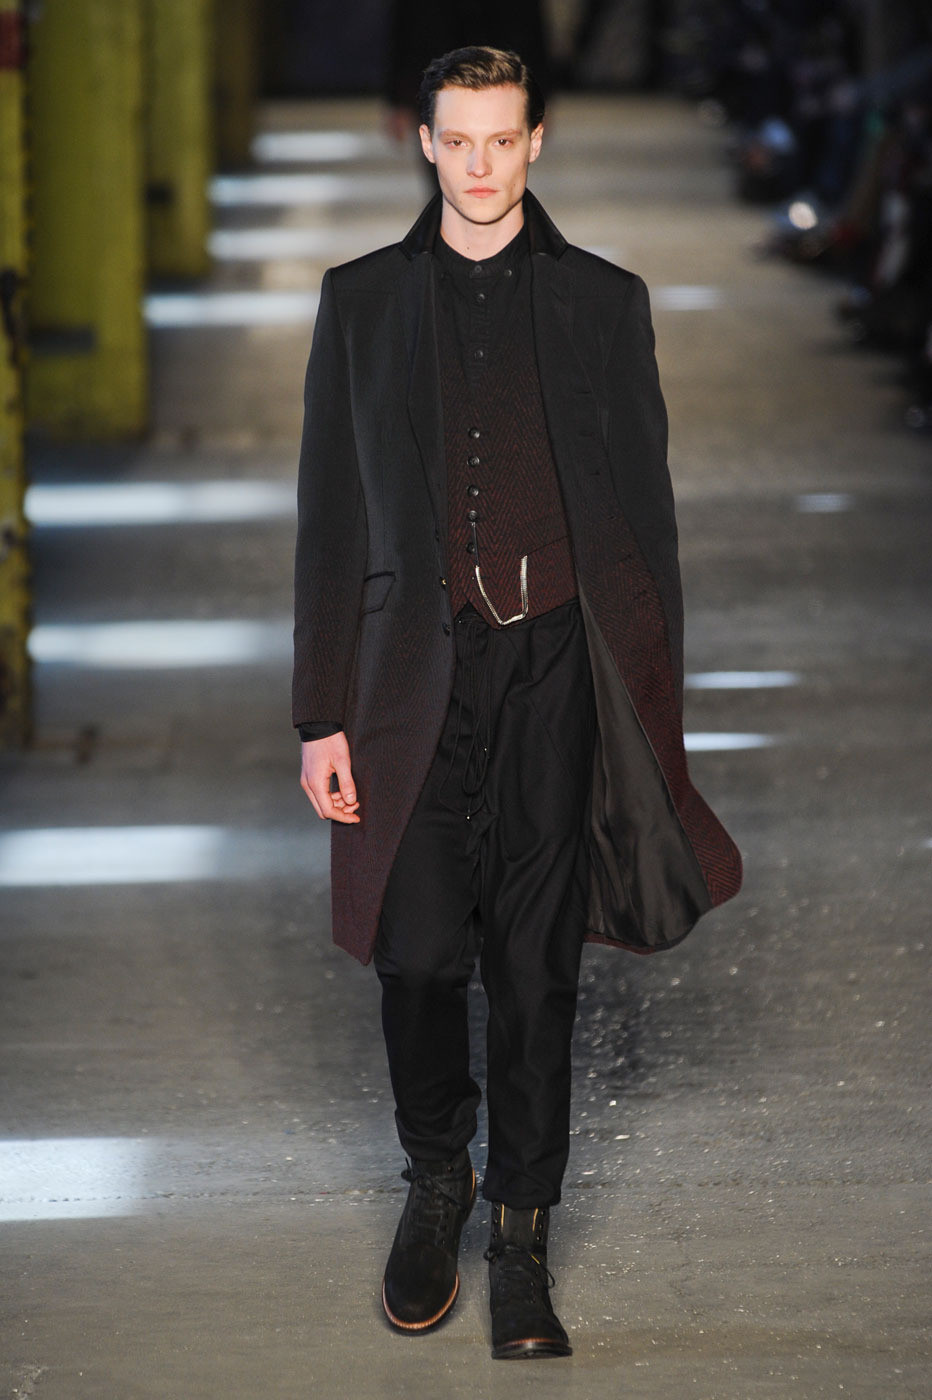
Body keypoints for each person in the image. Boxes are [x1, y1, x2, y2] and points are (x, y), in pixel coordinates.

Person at [293, 45, 742, 1359]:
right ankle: (440, 1176)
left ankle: (524, 1236)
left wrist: (650, 713)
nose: (481, 165)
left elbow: (646, 528)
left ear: (537, 141)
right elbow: (330, 520)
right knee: (418, 953)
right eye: (459, 140)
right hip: (406, 677)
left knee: (537, 970)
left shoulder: (605, 302)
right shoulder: (362, 302)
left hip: (553, 669)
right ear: (425, 142)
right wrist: (320, 713)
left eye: (503, 139)